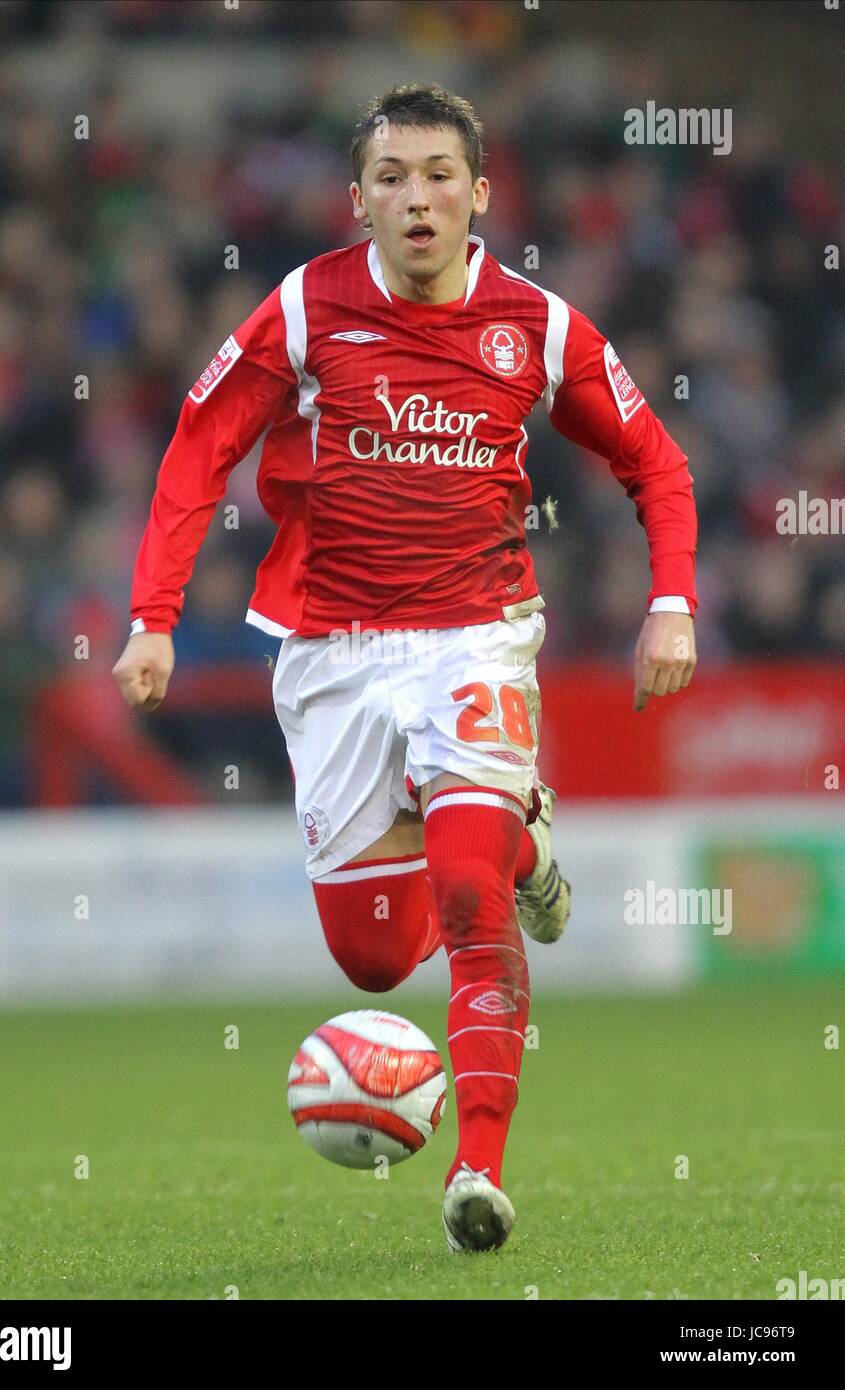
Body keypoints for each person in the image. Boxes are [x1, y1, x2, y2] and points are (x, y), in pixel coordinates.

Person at [113, 83, 697, 1252]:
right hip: (329, 652)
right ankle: (525, 834)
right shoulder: (301, 309)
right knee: (375, 956)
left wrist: (671, 605)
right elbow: (199, 447)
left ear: (481, 193)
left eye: (439, 174)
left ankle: (476, 1171)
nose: (416, 197)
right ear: (359, 200)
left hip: (476, 633)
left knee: (468, 888)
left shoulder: (536, 326)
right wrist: (152, 614)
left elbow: (656, 462)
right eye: (391, 178)